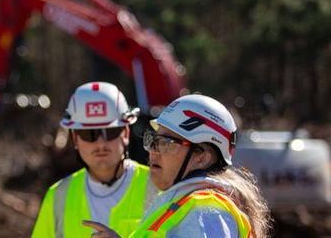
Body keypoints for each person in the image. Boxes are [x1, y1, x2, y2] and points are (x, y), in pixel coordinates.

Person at [83, 94, 272, 238]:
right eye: (153, 140)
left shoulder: (205, 213)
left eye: (166, 143)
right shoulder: (191, 208)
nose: (153, 151)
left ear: (202, 158)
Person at [31, 81, 158, 238]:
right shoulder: (57, 197)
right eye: (89, 134)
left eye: (110, 132)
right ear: (75, 139)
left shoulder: (159, 188)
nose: (100, 143)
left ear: (125, 133)